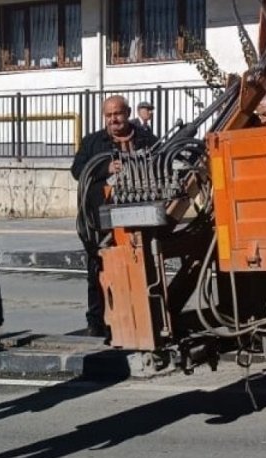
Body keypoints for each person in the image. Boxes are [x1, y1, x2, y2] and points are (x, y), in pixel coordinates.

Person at [71, 95, 158, 337]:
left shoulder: (146, 139)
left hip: (137, 216)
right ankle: (97, 321)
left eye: (117, 114)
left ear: (128, 112)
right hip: (101, 218)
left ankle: (140, 318)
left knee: (141, 267)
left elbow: (161, 162)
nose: (113, 120)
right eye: (108, 116)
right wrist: (105, 168)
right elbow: (78, 170)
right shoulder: (93, 142)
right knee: (99, 269)